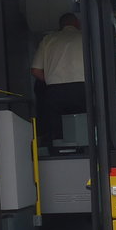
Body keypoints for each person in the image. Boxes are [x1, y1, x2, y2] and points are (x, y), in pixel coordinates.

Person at [31, 12, 86, 144]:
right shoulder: (85, 37)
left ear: (60, 25)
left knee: (57, 128)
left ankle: (59, 151)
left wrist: (51, 78)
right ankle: (84, 147)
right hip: (82, 89)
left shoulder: (48, 40)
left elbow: (35, 70)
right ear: (77, 24)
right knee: (84, 123)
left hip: (55, 90)